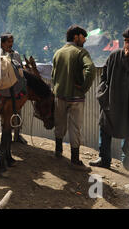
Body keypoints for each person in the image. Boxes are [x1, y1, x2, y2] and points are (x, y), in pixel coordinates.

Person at [90, 27, 129, 172]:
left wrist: (128, 57)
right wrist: (102, 94)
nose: (127, 44)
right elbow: (104, 76)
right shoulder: (114, 55)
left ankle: (127, 161)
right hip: (112, 100)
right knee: (105, 128)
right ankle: (104, 159)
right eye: (125, 41)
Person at [52, 25, 96, 171]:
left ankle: (58, 152)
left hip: (59, 95)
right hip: (75, 98)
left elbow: (53, 75)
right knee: (75, 128)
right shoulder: (81, 52)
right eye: (83, 37)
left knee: (60, 124)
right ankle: (75, 160)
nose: (84, 40)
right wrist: (84, 88)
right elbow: (91, 69)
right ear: (76, 36)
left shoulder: (58, 53)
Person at [0, 33, 28, 144]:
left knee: (17, 112)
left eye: (11, 42)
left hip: (14, 90)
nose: (10, 44)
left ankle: (17, 135)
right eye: (8, 42)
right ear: (2, 43)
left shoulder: (16, 55)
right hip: (1, 91)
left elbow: (20, 70)